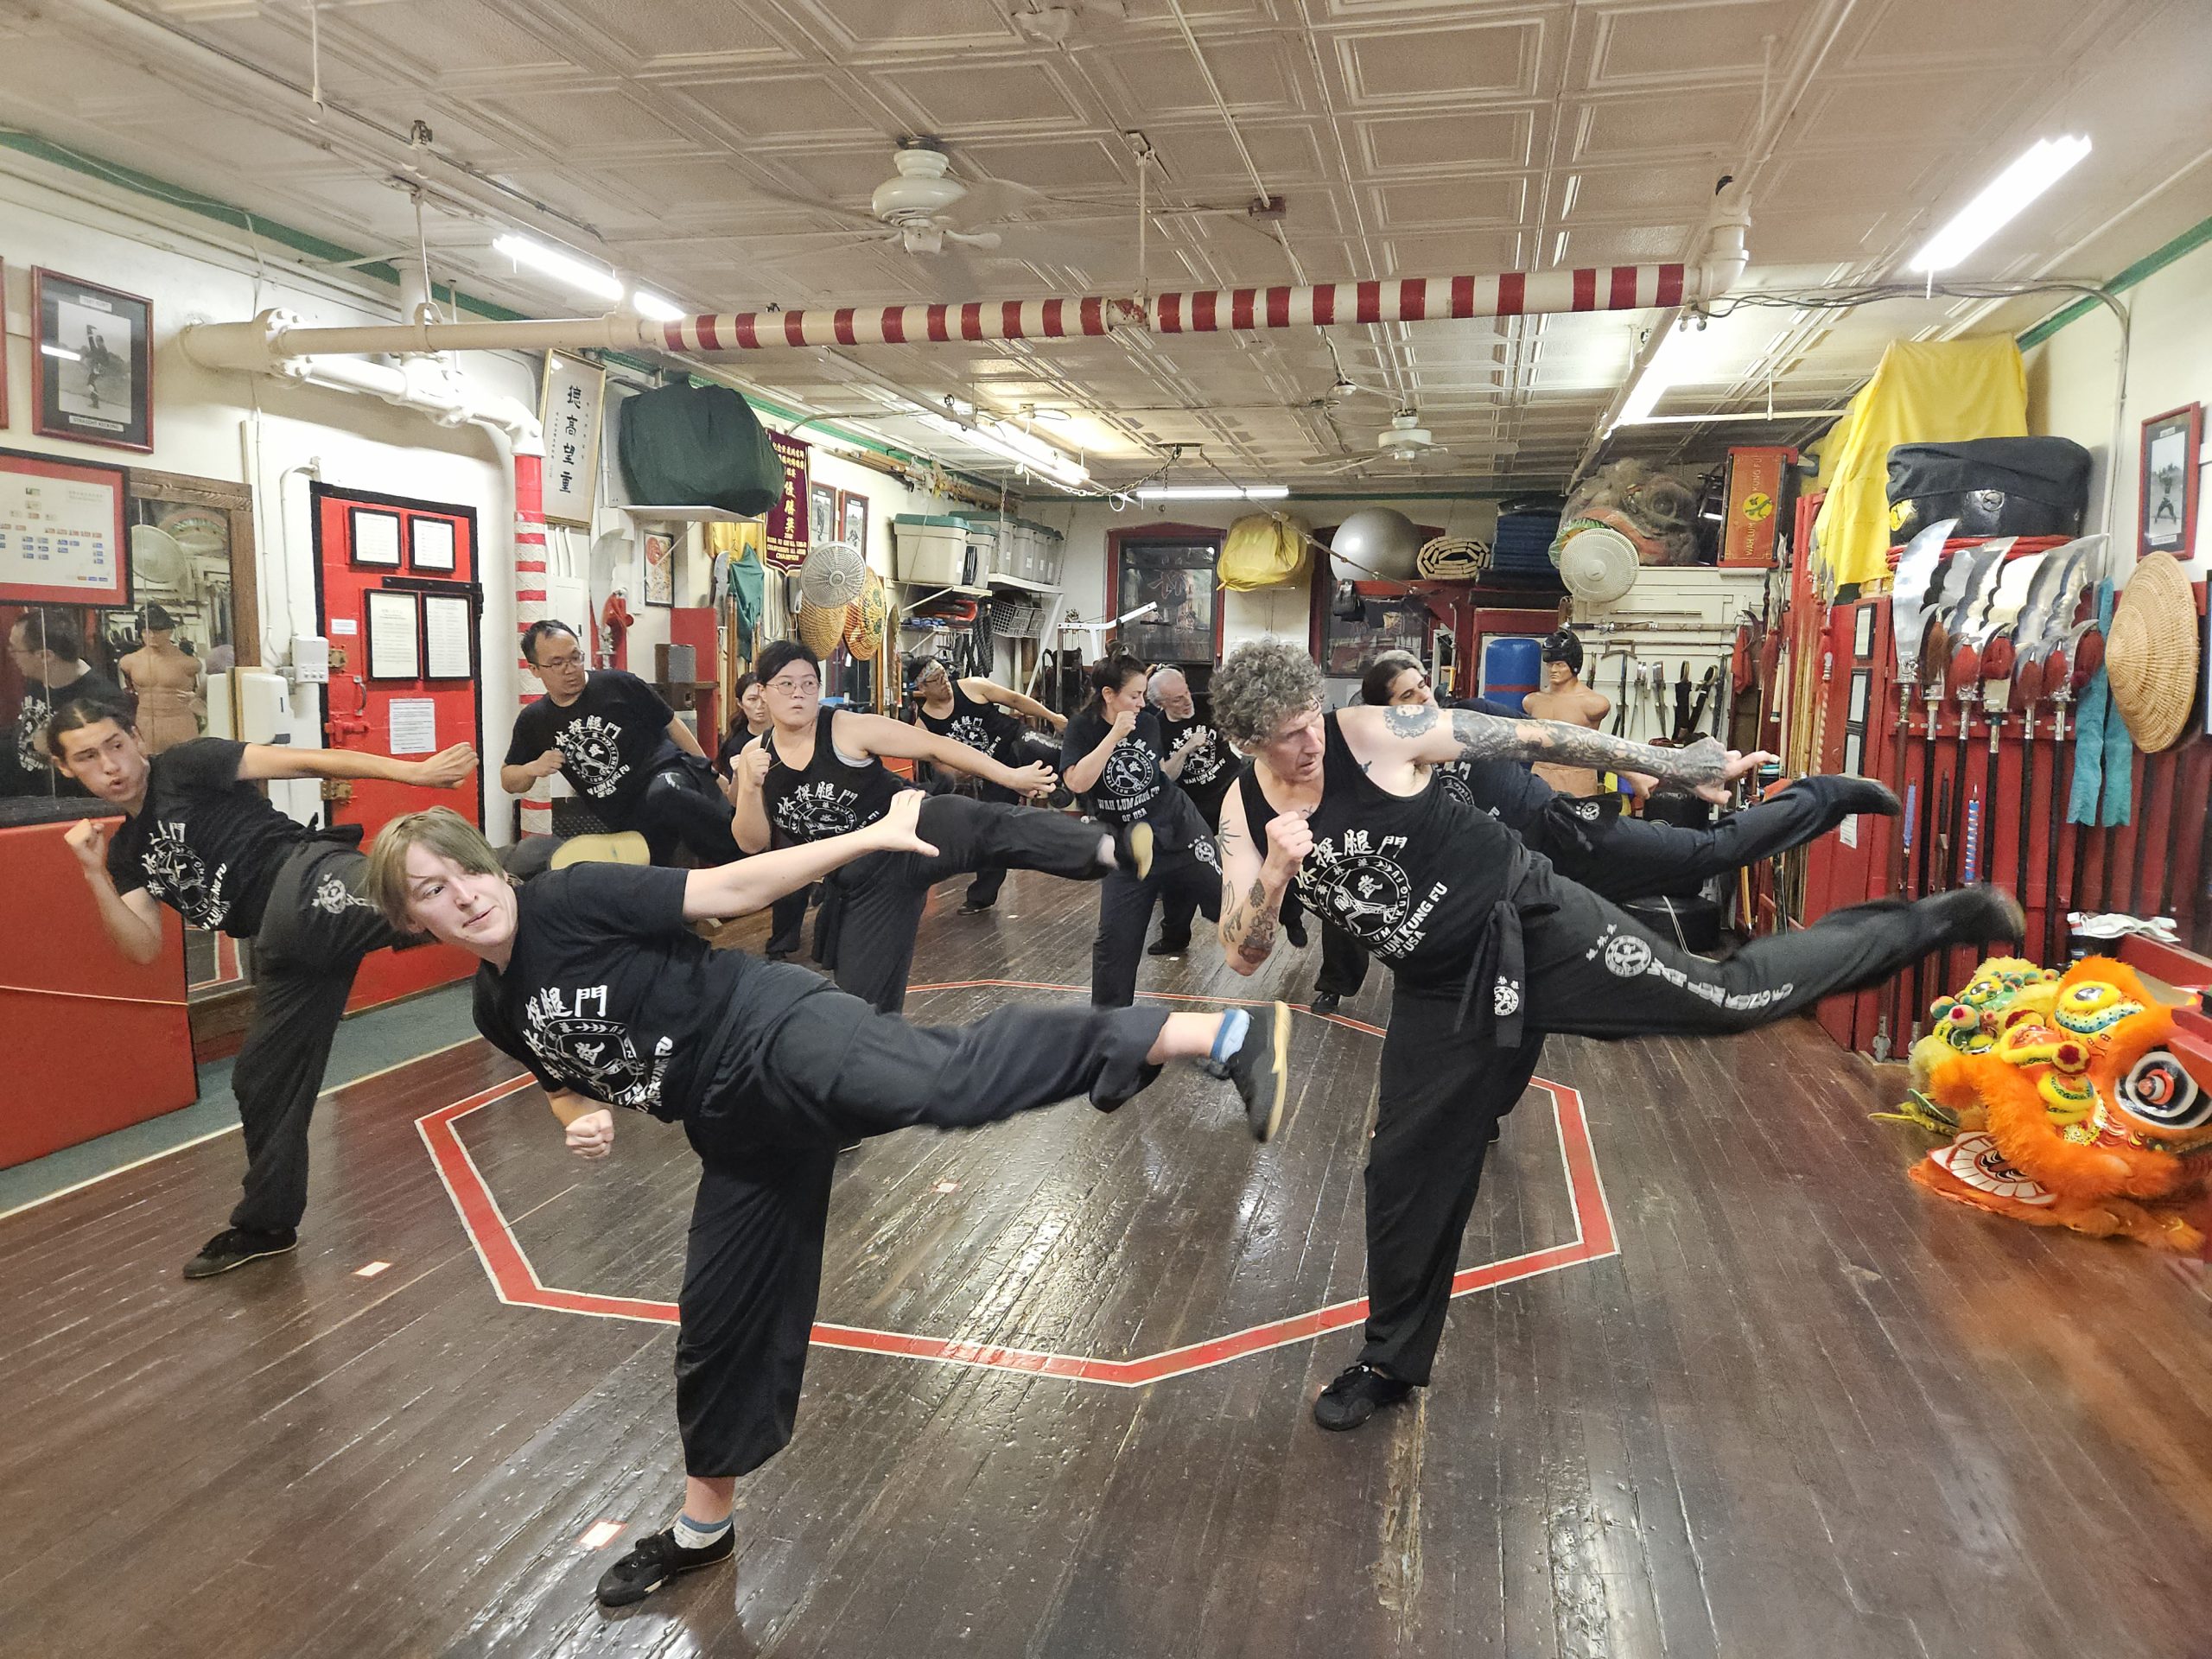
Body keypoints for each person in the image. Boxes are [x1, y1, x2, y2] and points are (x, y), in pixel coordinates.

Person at [364, 802, 1290, 1608]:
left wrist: (871, 836)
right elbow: (556, 1074)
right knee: (721, 1321)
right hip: (728, 1119)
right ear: (415, 920)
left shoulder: (568, 900)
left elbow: (728, 891)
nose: (466, 895)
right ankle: (703, 1528)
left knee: (948, 1083)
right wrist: (576, 1118)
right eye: (434, 893)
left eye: (466, 871)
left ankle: (1221, 1031)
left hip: (772, 1027)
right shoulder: (496, 1006)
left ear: (490, 865)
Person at [1208, 639, 2025, 1433]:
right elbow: (1241, 956)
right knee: (1402, 1168)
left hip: (1529, 919)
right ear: (1250, 744)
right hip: (1439, 988)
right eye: (1288, 735)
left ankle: (1935, 918)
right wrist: (1277, 874)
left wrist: (1679, 766)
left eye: (1313, 717)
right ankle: (1388, 1364)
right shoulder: (1244, 810)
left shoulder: (1375, 733)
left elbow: (1536, 737)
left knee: (1729, 998)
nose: (1311, 740)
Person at [49, 695, 481, 1278]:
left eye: (116, 745)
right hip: (281, 943)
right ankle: (266, 1224)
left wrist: (412, 772)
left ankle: (532, 881)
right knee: (260, 1079)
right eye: (88, 757)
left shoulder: (184, 766)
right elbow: (142, 948)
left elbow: (304, 762)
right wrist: (92, 872)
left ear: (137, 739)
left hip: (302, 877)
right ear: (66, 769)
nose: (110, 765)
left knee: (410, 895)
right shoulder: (126, 853)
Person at [1307, 650, 1897, 1015]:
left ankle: (1826, 795)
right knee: (1514, 1007)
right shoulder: (1383, 773)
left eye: (1425, 688)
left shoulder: (1471, 718)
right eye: (1409, 697)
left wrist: (1651, 773)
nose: (1425, 700)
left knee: (1705, 853)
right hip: (1511, 890)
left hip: (1564, 834)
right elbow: (1359, 886)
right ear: (1380, 713)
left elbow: (1565, 742)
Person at [731, 639, 1130, 1014]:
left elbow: (936, 747)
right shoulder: (754, 756)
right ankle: (874, 1071)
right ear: (763, 692)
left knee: (984, 822)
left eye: (808, 683)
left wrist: (1010, 777)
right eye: (785, 684)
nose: (798, 693)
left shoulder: (845, 728)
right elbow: (751, 843)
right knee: (862, 1002)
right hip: (865, 882)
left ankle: (1110, 849)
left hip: (912, 826)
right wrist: (749, 785)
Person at [1059, 654, 1225, 1005]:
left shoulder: (1148, 723)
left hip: (1177, 827)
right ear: (1108, 694)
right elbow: (1076, 783)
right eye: (1134, 695)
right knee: (1115, 941)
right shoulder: (1082, 728)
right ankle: (1108, 1027)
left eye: (1142, 695)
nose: (1140, 703)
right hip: (1128, 845)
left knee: (1226, 902)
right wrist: (1115, 736)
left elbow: (1160, 774)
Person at [501, 620, 730, 866]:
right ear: (535, 669)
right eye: (557, 663)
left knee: (666, 794)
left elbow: (671, 723)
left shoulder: (618, 684)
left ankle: (739, 856)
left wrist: (708, 771)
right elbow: (509, 780)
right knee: (655, 870)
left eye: (576, 657)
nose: (570, 669)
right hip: (624, 814)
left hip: (665, 773)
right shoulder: (535, 719)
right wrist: (531, 768)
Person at [906, 655, 1068, 915]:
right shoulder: (924, 726)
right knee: (991, 829)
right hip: (996, 774)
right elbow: (941, 765)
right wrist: (967, 771)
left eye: (944, 676)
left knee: (1041, 747)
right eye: (935, 681)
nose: (944, 683)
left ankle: (1066, 780)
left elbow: (1016, 700)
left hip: (1017, 743)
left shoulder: (971, 686)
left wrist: (1054, 717)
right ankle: (981, 897)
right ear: (921, 689)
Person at [7, 609, 116, 797]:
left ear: (45, 656)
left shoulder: (102, 699)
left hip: (69, 805)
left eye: (15, 649)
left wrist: (54, 745)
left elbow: (109, 769)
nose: (11, 655)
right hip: (26, 796)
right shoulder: (37, 679)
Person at [1517, 629, 1618, 799]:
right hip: (1539, 778)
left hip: (1576, 779)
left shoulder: (1594, 704)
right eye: (1550, 664)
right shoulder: (1532, 701)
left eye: (1560, 664)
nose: (1553, 670)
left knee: (1573, 824)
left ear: (1573, 666)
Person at [118, 603, 207, 755]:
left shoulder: (189, 664)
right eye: (146, 631)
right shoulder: (129, 662)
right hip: (145, 721)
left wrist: (196, 700)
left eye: (157, 631)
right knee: (149, 768)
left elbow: (204, 696)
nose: (151, 636)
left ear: (169, 632)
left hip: (179, 720)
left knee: (187, 765)